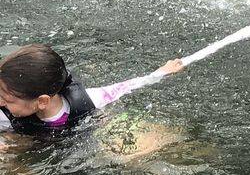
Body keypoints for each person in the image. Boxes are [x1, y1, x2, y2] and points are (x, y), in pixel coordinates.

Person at [0, 44, 184, 137]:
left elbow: (125, 87)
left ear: (42, 101)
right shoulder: (5, 116)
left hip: (88, 131)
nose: (1, 103)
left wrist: (161, 73)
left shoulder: (87, 101)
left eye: (6, 99)